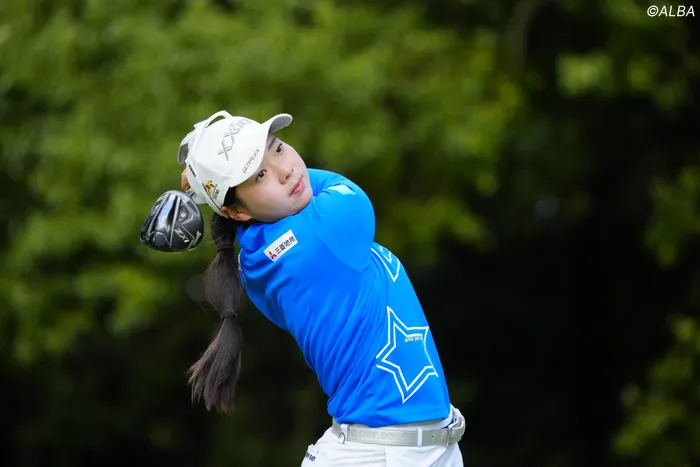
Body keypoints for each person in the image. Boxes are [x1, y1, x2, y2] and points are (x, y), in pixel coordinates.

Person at [175, 110, 465, 466]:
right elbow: (330, 185)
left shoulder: (254, 263)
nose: (285, 171)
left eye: (277, 148)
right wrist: (209, 186)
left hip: (393, 448)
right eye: (260, 174)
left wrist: (211, 187)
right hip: (382, 454)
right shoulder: (328, 226)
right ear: (235, 213)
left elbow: (280, 200)